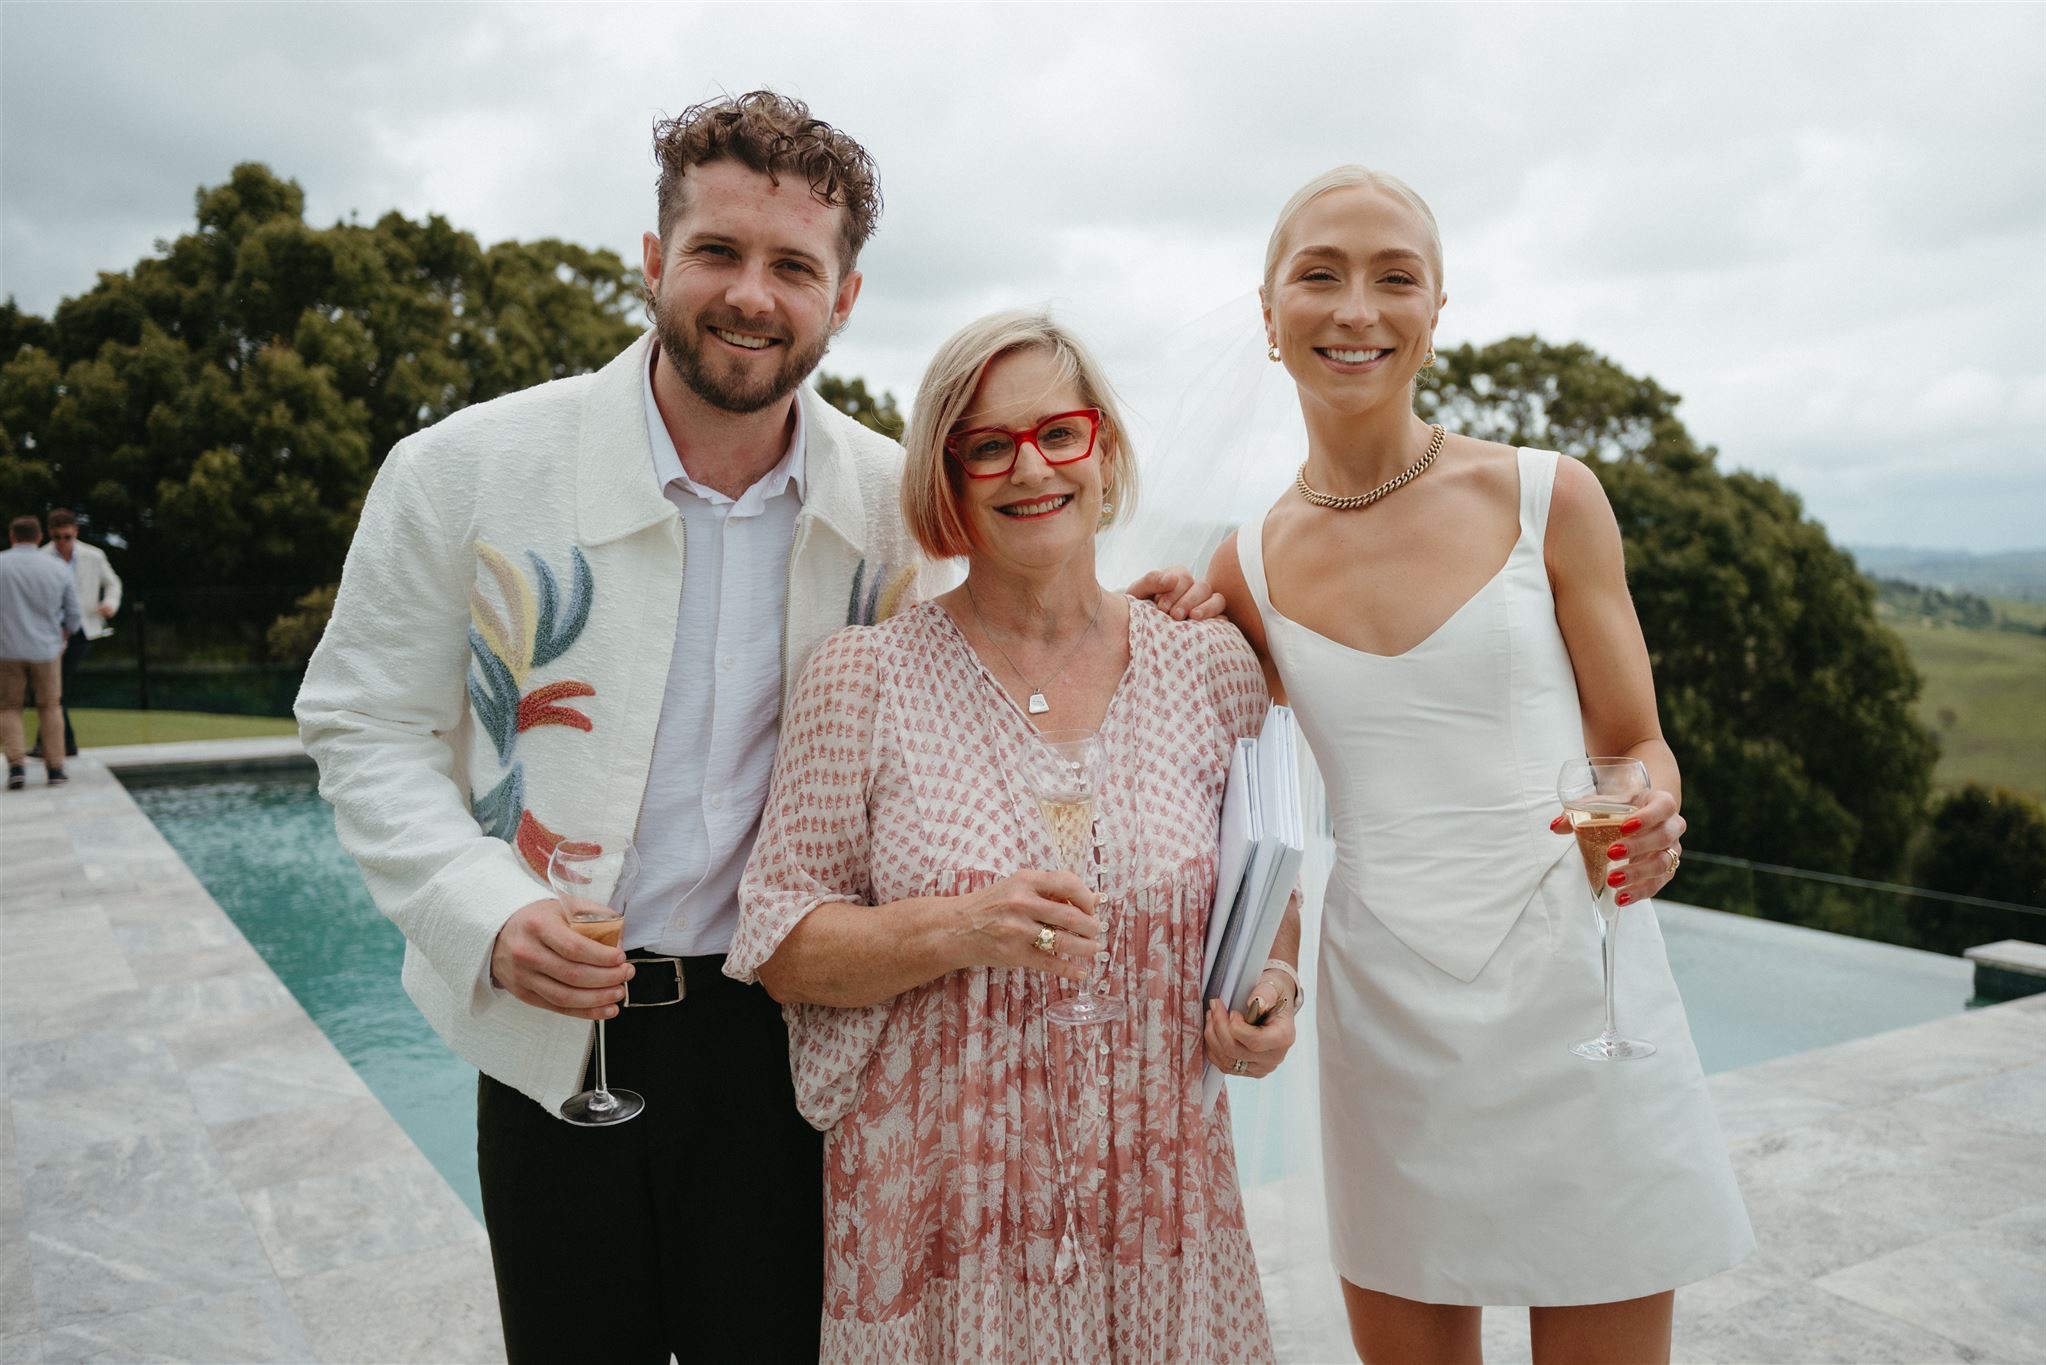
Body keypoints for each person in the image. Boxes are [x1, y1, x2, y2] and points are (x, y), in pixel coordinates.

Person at [297, 92, 1215, 1364]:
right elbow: (362, 725)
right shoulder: (463, 471)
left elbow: (1007, 626)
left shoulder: (894, 505)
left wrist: (1152, 607)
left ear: (843, 298)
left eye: (793, 265)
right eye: (718, 251)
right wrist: (484, 913)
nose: (750, 294)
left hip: (789, 1047)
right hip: (557, 1032)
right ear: (652, 258)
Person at [1209, 168, 1752, 1365]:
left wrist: (1650, 811)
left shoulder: (1548, 497)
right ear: (1268, 311)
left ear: (1436, 308)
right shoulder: (1240, 568)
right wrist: (1276, 968)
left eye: (1394, 277)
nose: (1356, 308)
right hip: (1387, 1021)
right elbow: (1258, 818)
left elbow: (1633, 745)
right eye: (1319, 274)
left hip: (1578, 989)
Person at [726, 309, 1300, 1362]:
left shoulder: (1209, 664)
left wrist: (1273, 987)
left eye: (1058, 433)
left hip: (1159, 1204)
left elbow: (1266, 892)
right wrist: (960, 929)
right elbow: (781, 947)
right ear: (947, 482)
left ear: (1103, 451)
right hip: (944, 1219)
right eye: (987, 446)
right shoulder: (861, 679)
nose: (1030, 467)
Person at [0, 514, 81, 789]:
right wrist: (65, 633)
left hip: (6, 649)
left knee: (8, 707)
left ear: (12, 536)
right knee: (50, 707)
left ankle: (16, 766)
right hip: (46, 649)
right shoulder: (57, 568)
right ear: (39, 537)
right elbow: (74, 613)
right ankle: (55, 768)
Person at [35, 508, 121, 757]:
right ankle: (62, 743)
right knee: (52, 688)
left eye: (67, 537)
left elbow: (113, 583)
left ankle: (52, 743)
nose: (62, 542)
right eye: (57, 537)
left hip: (82, 629)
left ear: (75, 532)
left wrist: (110, 604)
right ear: (49, 534)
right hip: (49, 631)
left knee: (55, 686)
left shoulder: (93, 556)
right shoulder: (41, 558)